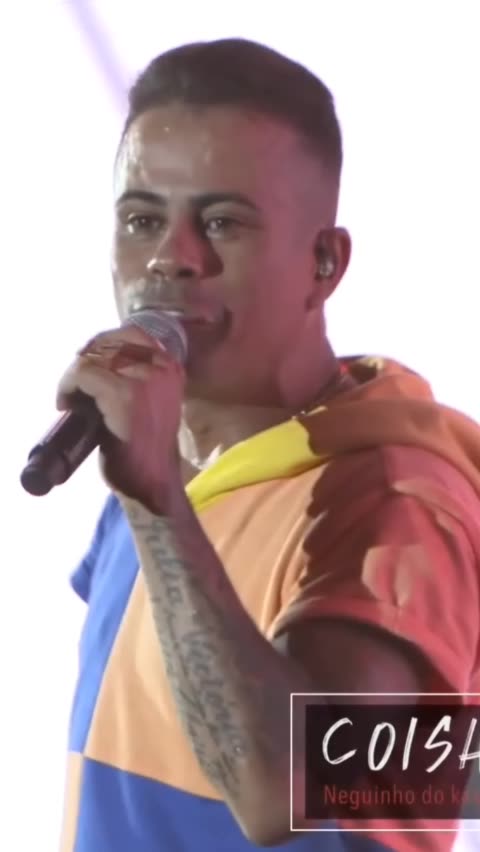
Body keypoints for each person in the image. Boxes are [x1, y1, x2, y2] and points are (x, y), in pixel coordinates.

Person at [58, 37, 480, 852]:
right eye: (142, 219)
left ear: (324, 262)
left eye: (221, 223)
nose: (169, 259)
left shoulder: (401, 506)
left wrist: (156, 505)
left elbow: (290, 795)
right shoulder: (159, 461)